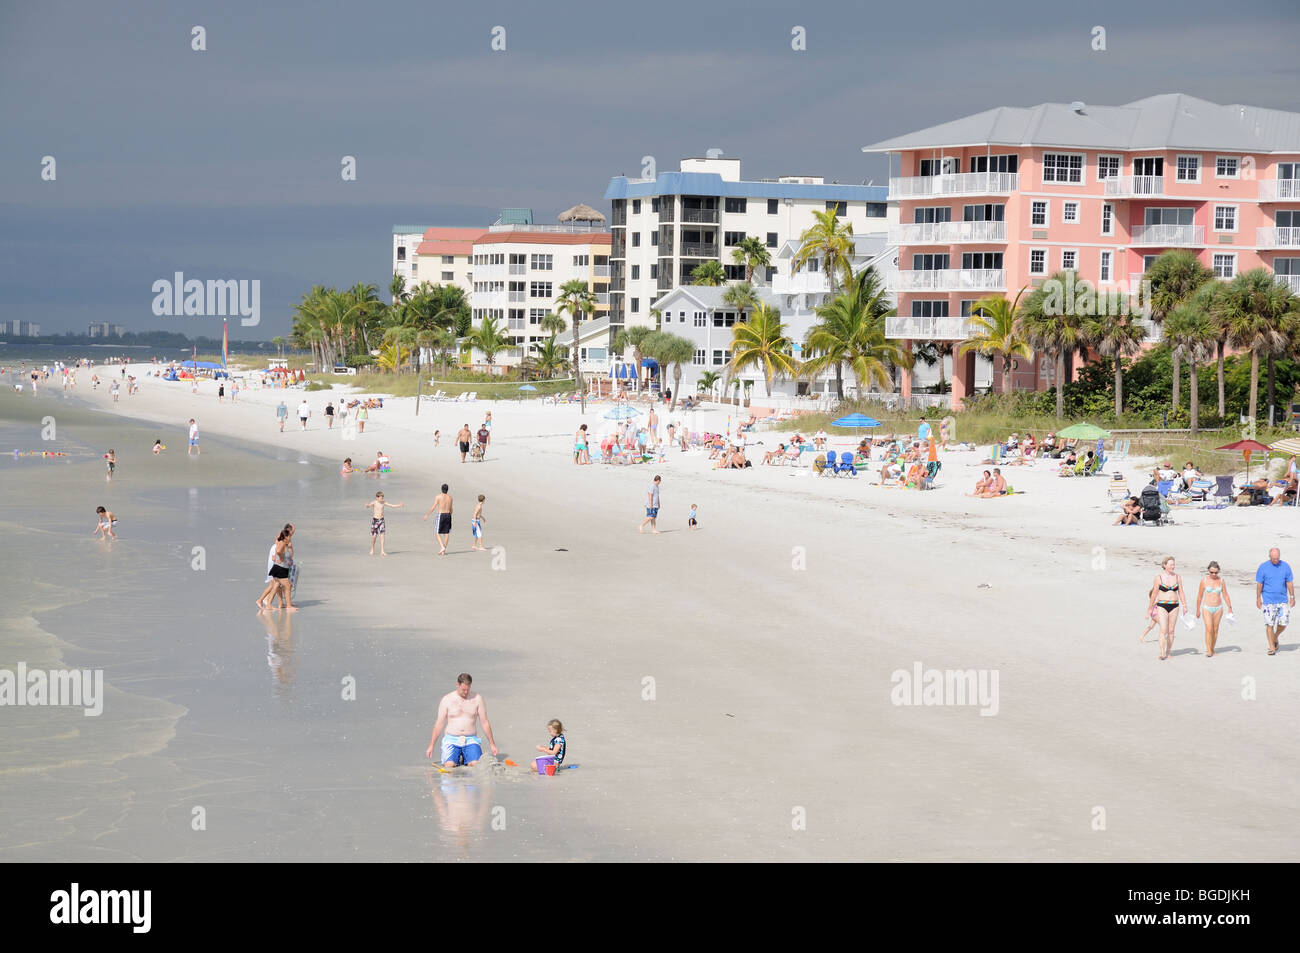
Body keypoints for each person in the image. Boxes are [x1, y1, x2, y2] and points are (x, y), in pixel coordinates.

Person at [425, 673, 499, 768]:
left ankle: (466, 757)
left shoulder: (477, 699)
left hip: (470, 739)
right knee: (449, 765)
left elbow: (484, 722)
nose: (465, 692)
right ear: (457, 685)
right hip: (451, 739)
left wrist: (492, 744)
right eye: (463, 689)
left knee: (475, 765)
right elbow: (439, 723)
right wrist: (431, 745)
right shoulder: (447, 700)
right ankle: (458, 757)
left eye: (468, 689)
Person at [1255, 547, 1295, 655]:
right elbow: (1259, 584)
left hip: (1282, 600)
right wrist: (1258, 598)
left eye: (1277, 558)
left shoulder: (1285, 566)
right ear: (1270, 557)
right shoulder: (1263, 567)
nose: (1276, 560)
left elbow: (1289, 582)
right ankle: (1272, 647)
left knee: (1283, 623)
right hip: (1268, 601)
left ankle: (1275, 636)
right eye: (1273, 558)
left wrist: (1292, 597)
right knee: (1269, 624)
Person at [1147, 556, 1187, 661]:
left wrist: (1185, 605)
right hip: (1162, 605)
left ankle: (1168, 651)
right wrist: (1150, 608)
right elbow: (1154, 593)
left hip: (1174, 605)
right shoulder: (1158, 578)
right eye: (1170, 564)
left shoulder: (1178, 577)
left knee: (1171, 630)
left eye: (1173, 564)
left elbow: (1181, 592)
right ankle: (1162, 652)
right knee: (1163, 630)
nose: (1173, 566)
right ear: (1165, 565)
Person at [1195, 561, 1233, 658]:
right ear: (1208, 571)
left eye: (1216, 572)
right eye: (1211, 572)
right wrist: (1197, 610)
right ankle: (1208, 650)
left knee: (1215, 629)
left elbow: (1225, 594)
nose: (1214, 574)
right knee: (1209, 628)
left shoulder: (1221, 581)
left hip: (1218, 608)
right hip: (1207, 607)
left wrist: (1230, 607)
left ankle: (1212, 648)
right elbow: (1199, 596)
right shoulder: (1204, 581)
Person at [365, 491, 404, 556]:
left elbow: (392, 505)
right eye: (380, 498)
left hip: (382, 520)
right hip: (375, 521)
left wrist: (399, 505)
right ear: (377, 498)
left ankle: (382, 551)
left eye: (382, 497)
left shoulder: (383, 502)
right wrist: (367, 505)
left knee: (382, 535)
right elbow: (368, 506)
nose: (382, 499)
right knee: (374, 536)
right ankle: (372, 549)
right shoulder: (374, 502)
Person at [424, 484, 453, 555]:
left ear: (441, 489)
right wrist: (450, 515)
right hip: (448, 515)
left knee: (437, 532)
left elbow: (434, 507)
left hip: (441, 515)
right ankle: (443, 550)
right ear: (447, 489)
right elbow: (451, 509)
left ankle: (442, 547)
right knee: (446, 533)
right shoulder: (450, 498)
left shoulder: (438, 496)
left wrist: (427, 514)